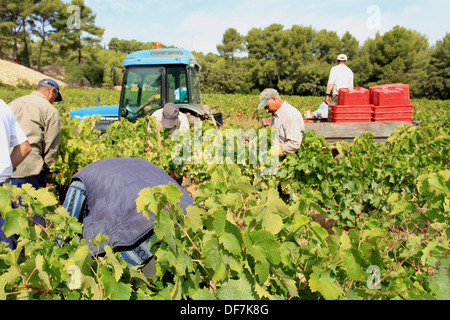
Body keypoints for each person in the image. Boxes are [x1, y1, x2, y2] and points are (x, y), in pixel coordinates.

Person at [62, 157, 194, 277]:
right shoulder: (140, 162)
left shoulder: (81, 179)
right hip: (188, 220)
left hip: (144, 236)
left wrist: (61, 255)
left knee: (154, 286)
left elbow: (64, 225)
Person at [7, 78, 62, 190]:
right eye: (54, 99)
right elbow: (51, 146)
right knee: (29, 206)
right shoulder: (49, 110)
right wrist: (49, 172)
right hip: (30, 170)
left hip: (5, 168)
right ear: (52, 91)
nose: (52, 102)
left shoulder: (12, 104)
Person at [0, 99, 31, 249]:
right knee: (6, 245)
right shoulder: (2, 106)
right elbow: (25, 148)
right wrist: (5, 169)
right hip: (3, 189)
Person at [257, 88, 305, 156]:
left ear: (274, 99)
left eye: (267, 106)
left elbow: (294, 144)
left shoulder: (290, 114)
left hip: (287, 159)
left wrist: (274, 151)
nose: (266, 111)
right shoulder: (276, 114)